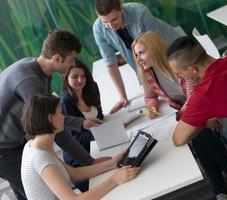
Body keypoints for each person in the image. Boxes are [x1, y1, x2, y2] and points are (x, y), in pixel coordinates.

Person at [132, 32, 227, 200]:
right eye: (136, 54)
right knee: (200, 136)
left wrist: (190, 118)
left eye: (141, 52)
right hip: (198, 111)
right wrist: (153, 106)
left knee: (197, 134)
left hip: (210, 110)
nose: (138, 58)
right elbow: (150, 96)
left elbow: (192, 103)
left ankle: (220, 189)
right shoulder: (148, 73)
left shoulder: (185, 72)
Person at [0, 29, 105, 200]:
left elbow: (52, 116)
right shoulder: (29, 81)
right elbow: (53, 127)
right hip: (4, 148)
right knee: (34, 191)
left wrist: (80, 123)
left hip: (15, 141)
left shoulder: (37, 70)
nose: (72, 64)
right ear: (56, 58)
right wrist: (89, 161)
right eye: (70, 60)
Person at [20, 95, 139, 200]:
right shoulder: (41, 158)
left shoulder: (35, 145)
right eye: (61, 113)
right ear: (50, 119)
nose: (64, 117)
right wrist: (115, 179)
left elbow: (74, 173)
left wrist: (113, 162)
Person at [93, 0, 185, 114]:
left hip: (170, 51)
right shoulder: (98, 28)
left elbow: (156, 44)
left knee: (179, 87)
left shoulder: (139, 11)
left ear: (121, 9)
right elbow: (110, 63)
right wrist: (123, 97)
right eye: (105, 22)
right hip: (148, 64)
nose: (111, 26)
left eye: (114, 19)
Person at [61, 59, 110, 191]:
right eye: (74, 77)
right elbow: (75, 138)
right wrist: (102, 133)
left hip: (99, 145)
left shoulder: (92, 87)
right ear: (66, 78)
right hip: (79, 158)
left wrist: (105, 129)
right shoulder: (66, 100)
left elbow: (99, 114)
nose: (80, 80)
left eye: (83, 76)